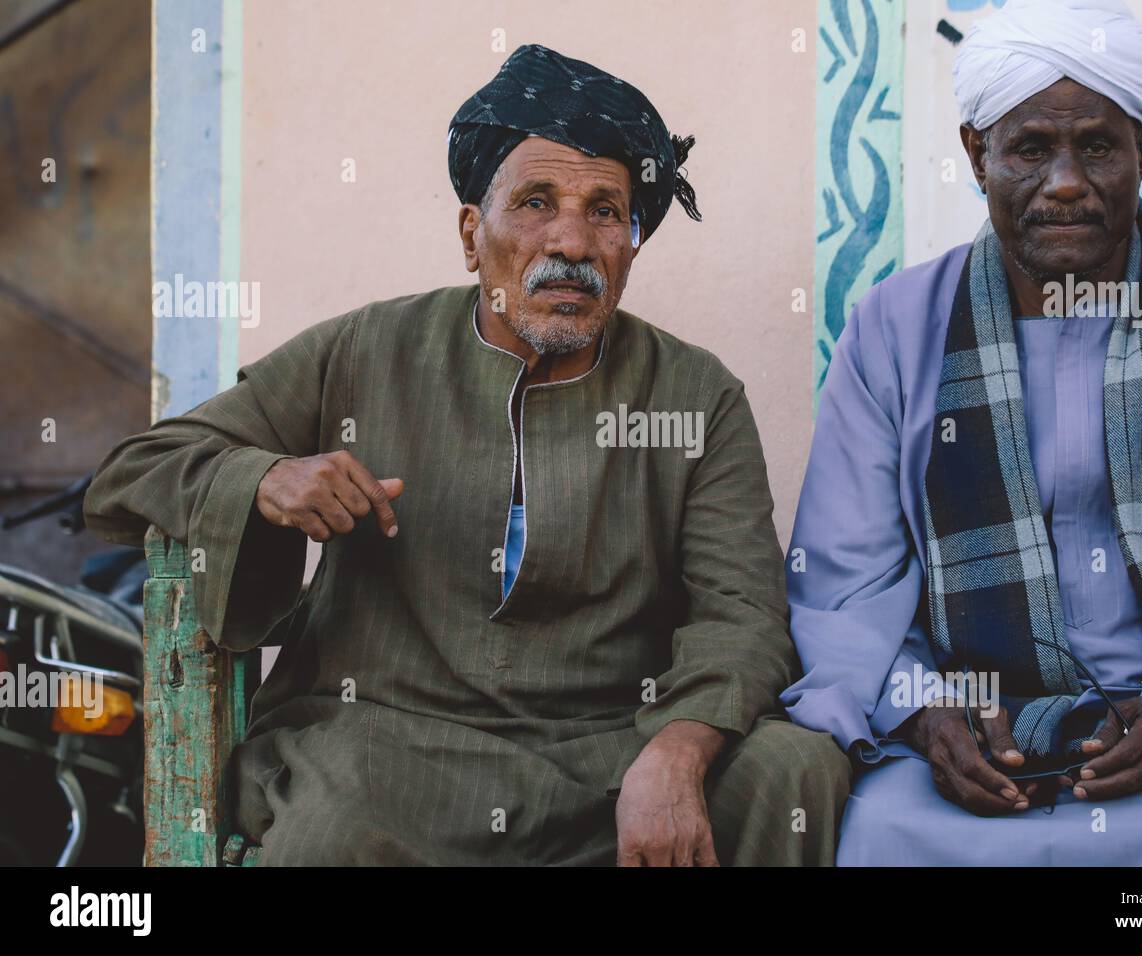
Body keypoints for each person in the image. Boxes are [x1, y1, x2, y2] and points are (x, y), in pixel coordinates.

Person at [85, 44, 849, 866]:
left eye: (604, 211)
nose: (572, 241)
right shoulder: (366, 349)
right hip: (390, 754)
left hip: (609, 758)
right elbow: (129, 475)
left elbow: (743, 615)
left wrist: (676, 754)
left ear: (631, 245)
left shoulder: (698, 396)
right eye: (535, 202)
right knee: (333, 833)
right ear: (470, 234)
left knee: (792, 766)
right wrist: (265, 477)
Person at [782, 0, 1142, 865]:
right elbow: (845, 579)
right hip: (969, 735)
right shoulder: (894, 326)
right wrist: (925, 712)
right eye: (1029, 149)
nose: (1066, 181)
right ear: (975, 155)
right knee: (882, 833)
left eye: (1096, 146)